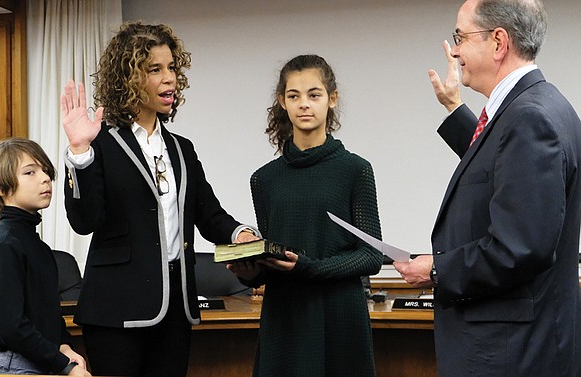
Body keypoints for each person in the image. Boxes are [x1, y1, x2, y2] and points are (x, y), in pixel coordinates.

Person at [59, 22, 258, 377]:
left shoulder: (182, 149)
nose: (170, 79)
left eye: (172, 68)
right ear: (127, 78)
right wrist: (79, 152)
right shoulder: (99, 142)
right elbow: (84, 221)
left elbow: (209, 215)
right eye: (155, 69)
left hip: (176, 308)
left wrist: (242, 234)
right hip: (115, 311)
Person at [393, 1, 581, 376]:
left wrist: (437, 270)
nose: (456, 49)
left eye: (461, 36)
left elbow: (519, 248)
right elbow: (502, 170)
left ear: (499, 42)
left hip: (511, 352)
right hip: (524, 343)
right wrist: (455, 110)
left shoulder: (529, 119)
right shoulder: (536, 107)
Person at [228, 54, 384, 377]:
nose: (304, 105)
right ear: (281, 102)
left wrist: (311, 267)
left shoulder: (356, 170)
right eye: (294, 96)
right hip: (285, 317)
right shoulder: (264, 179)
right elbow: (273, 262)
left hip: (340, 314)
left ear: (332, 98)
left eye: (314, 95)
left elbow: (371, 256)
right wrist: (249, 273)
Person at [0, 138, 91, 376]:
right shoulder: (5, 245)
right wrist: (64, 366)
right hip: (18, 366)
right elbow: (11, 326)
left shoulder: (35, 245)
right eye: (30, 172)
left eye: (44, 170)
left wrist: (65, 347)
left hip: (43, 360)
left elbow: (47, 313)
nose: (45, 177)